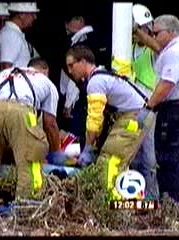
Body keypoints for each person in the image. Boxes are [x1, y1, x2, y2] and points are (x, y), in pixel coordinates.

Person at [0, 60, 60, 214]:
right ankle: (26, 210)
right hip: (20, 109)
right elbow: (49, 123)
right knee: (28, 164)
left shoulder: (5, 73)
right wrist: (55, 153)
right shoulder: (47, 83)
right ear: (45, 70)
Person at [64, 45, 153, 200]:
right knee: (134, 163)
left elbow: (94, 120)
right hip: (138, 114)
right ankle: (132, 203)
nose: (70, 71)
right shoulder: (102, 74)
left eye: (72, 65)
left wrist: (88, 148)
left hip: (133, 115)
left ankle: (110, 205)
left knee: (110, 162)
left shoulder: (95, 82)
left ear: (83, 61)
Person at [58, 16, 109, 150]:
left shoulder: (81, 42)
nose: (66, 26)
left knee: (76, 135)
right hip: (97, 101)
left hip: (84, 99)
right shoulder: (100, 39)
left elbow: (77, 75)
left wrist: (68, 103)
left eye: (68, 21)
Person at [143, 15, 179, 201]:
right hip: (171, 108)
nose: (153, 36)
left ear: (171, 32)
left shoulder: (174, 52)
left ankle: (172, 202)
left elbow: (167, 83)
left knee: (168, 157)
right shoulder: (170, 50)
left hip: (172, 109)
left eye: (156, 33)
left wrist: (149, 105)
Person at [129, 4, 161, 200]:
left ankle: (152, 197)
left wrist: (141, 34)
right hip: (132, 106)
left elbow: (157, 47)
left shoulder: (154, 51)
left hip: (148, 104)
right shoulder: (130, 49)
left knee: (149, 155)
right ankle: (135, 194)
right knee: (132, 153)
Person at [0, 2, 40, 77]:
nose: (35, 17)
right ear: (21, 15)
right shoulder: (10, 34)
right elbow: (6, 68)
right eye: (32, 14)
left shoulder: (13, 33)